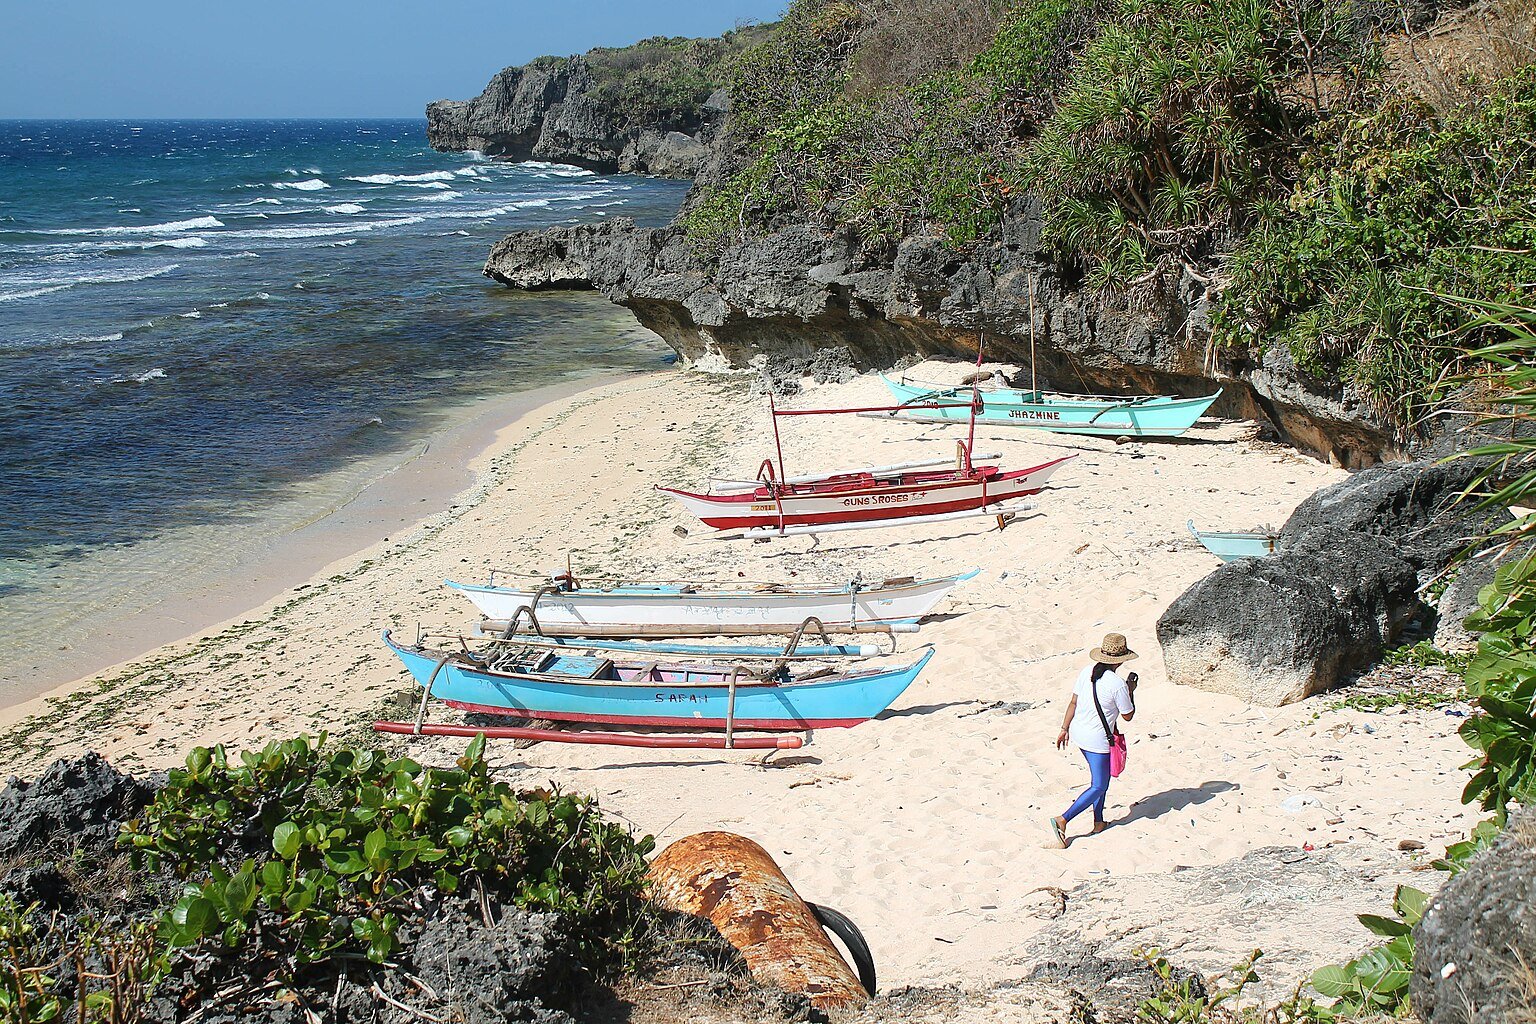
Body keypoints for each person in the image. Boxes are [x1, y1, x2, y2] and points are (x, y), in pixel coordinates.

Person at [1049, 632, 1138, 848]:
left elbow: (1073, 702)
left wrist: (1064, 728)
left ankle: (1098, 822)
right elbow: (1128, 715)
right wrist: (1131, 690)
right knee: (1099, 785)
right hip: (1098, 741)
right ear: (1122, 659)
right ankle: (1062, 820)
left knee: (1100, 780)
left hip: (1079, 734)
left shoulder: (1086, 672)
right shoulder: (1117, 685)